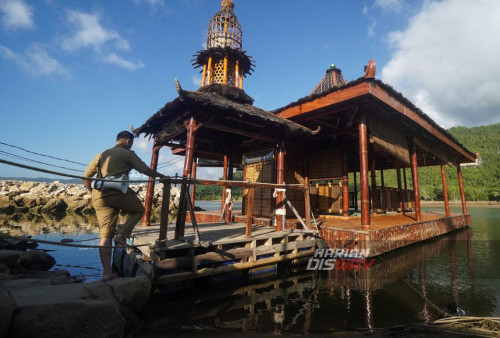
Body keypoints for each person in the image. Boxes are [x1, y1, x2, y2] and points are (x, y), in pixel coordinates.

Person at [83, 130, 165, 282]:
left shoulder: (101, 154)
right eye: (131, 142)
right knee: (139, 210)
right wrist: (163, 177)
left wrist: (92, 192)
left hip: (99, 195)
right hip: (117, 192)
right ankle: (121, 235)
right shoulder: (128, 153)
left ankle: (107, 273)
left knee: (105, 236)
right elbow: (145, 170)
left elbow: (86, 176)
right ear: (128, 141)